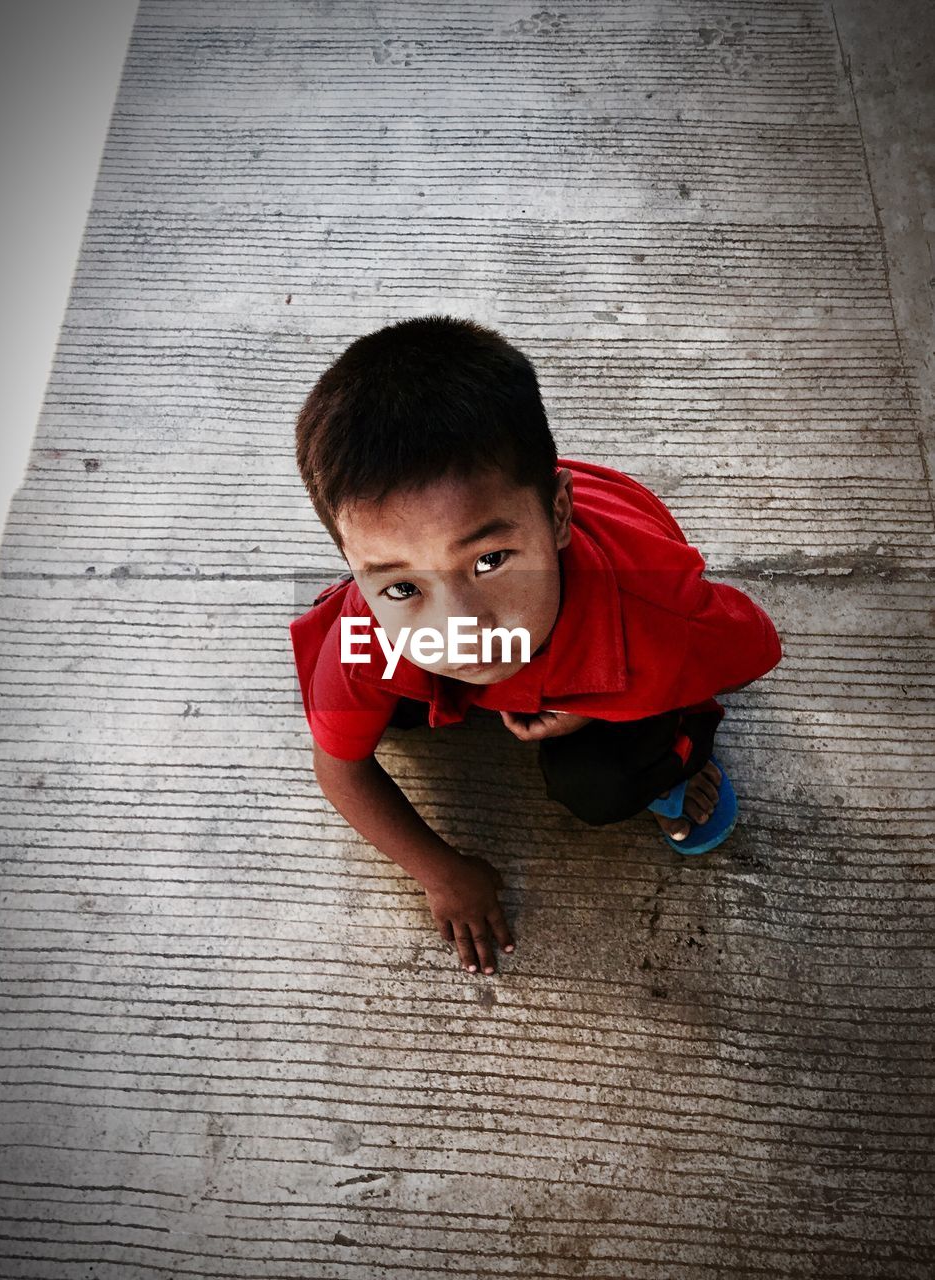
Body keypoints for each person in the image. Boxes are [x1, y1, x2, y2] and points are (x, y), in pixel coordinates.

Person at [289, 315, 783, 977]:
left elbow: (750, 649)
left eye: (490, 560)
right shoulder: (363, 627)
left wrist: (600, 708)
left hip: (609, 646)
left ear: (557, 514)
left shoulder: (651, 610)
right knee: (376, 702)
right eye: (402, 584)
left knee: (604, 780)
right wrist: (442, 874)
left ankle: (680, 755)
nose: (458, 626)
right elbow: (339, 769)